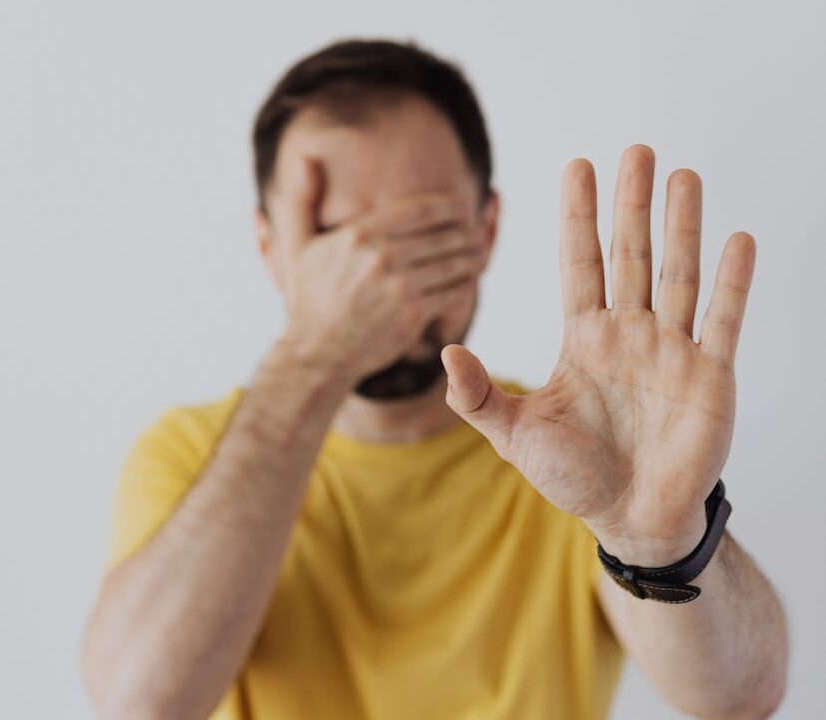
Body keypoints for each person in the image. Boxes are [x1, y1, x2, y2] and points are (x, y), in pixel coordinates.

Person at [81, 38, 789, 719]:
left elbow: (742, 697)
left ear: (484, 232)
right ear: (271, 249)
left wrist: (657, 542)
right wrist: (314, 354)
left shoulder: (571, 448)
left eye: (424, 237)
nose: (382, 280)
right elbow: (143, 703)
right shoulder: (189, 453)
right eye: (336, 243)